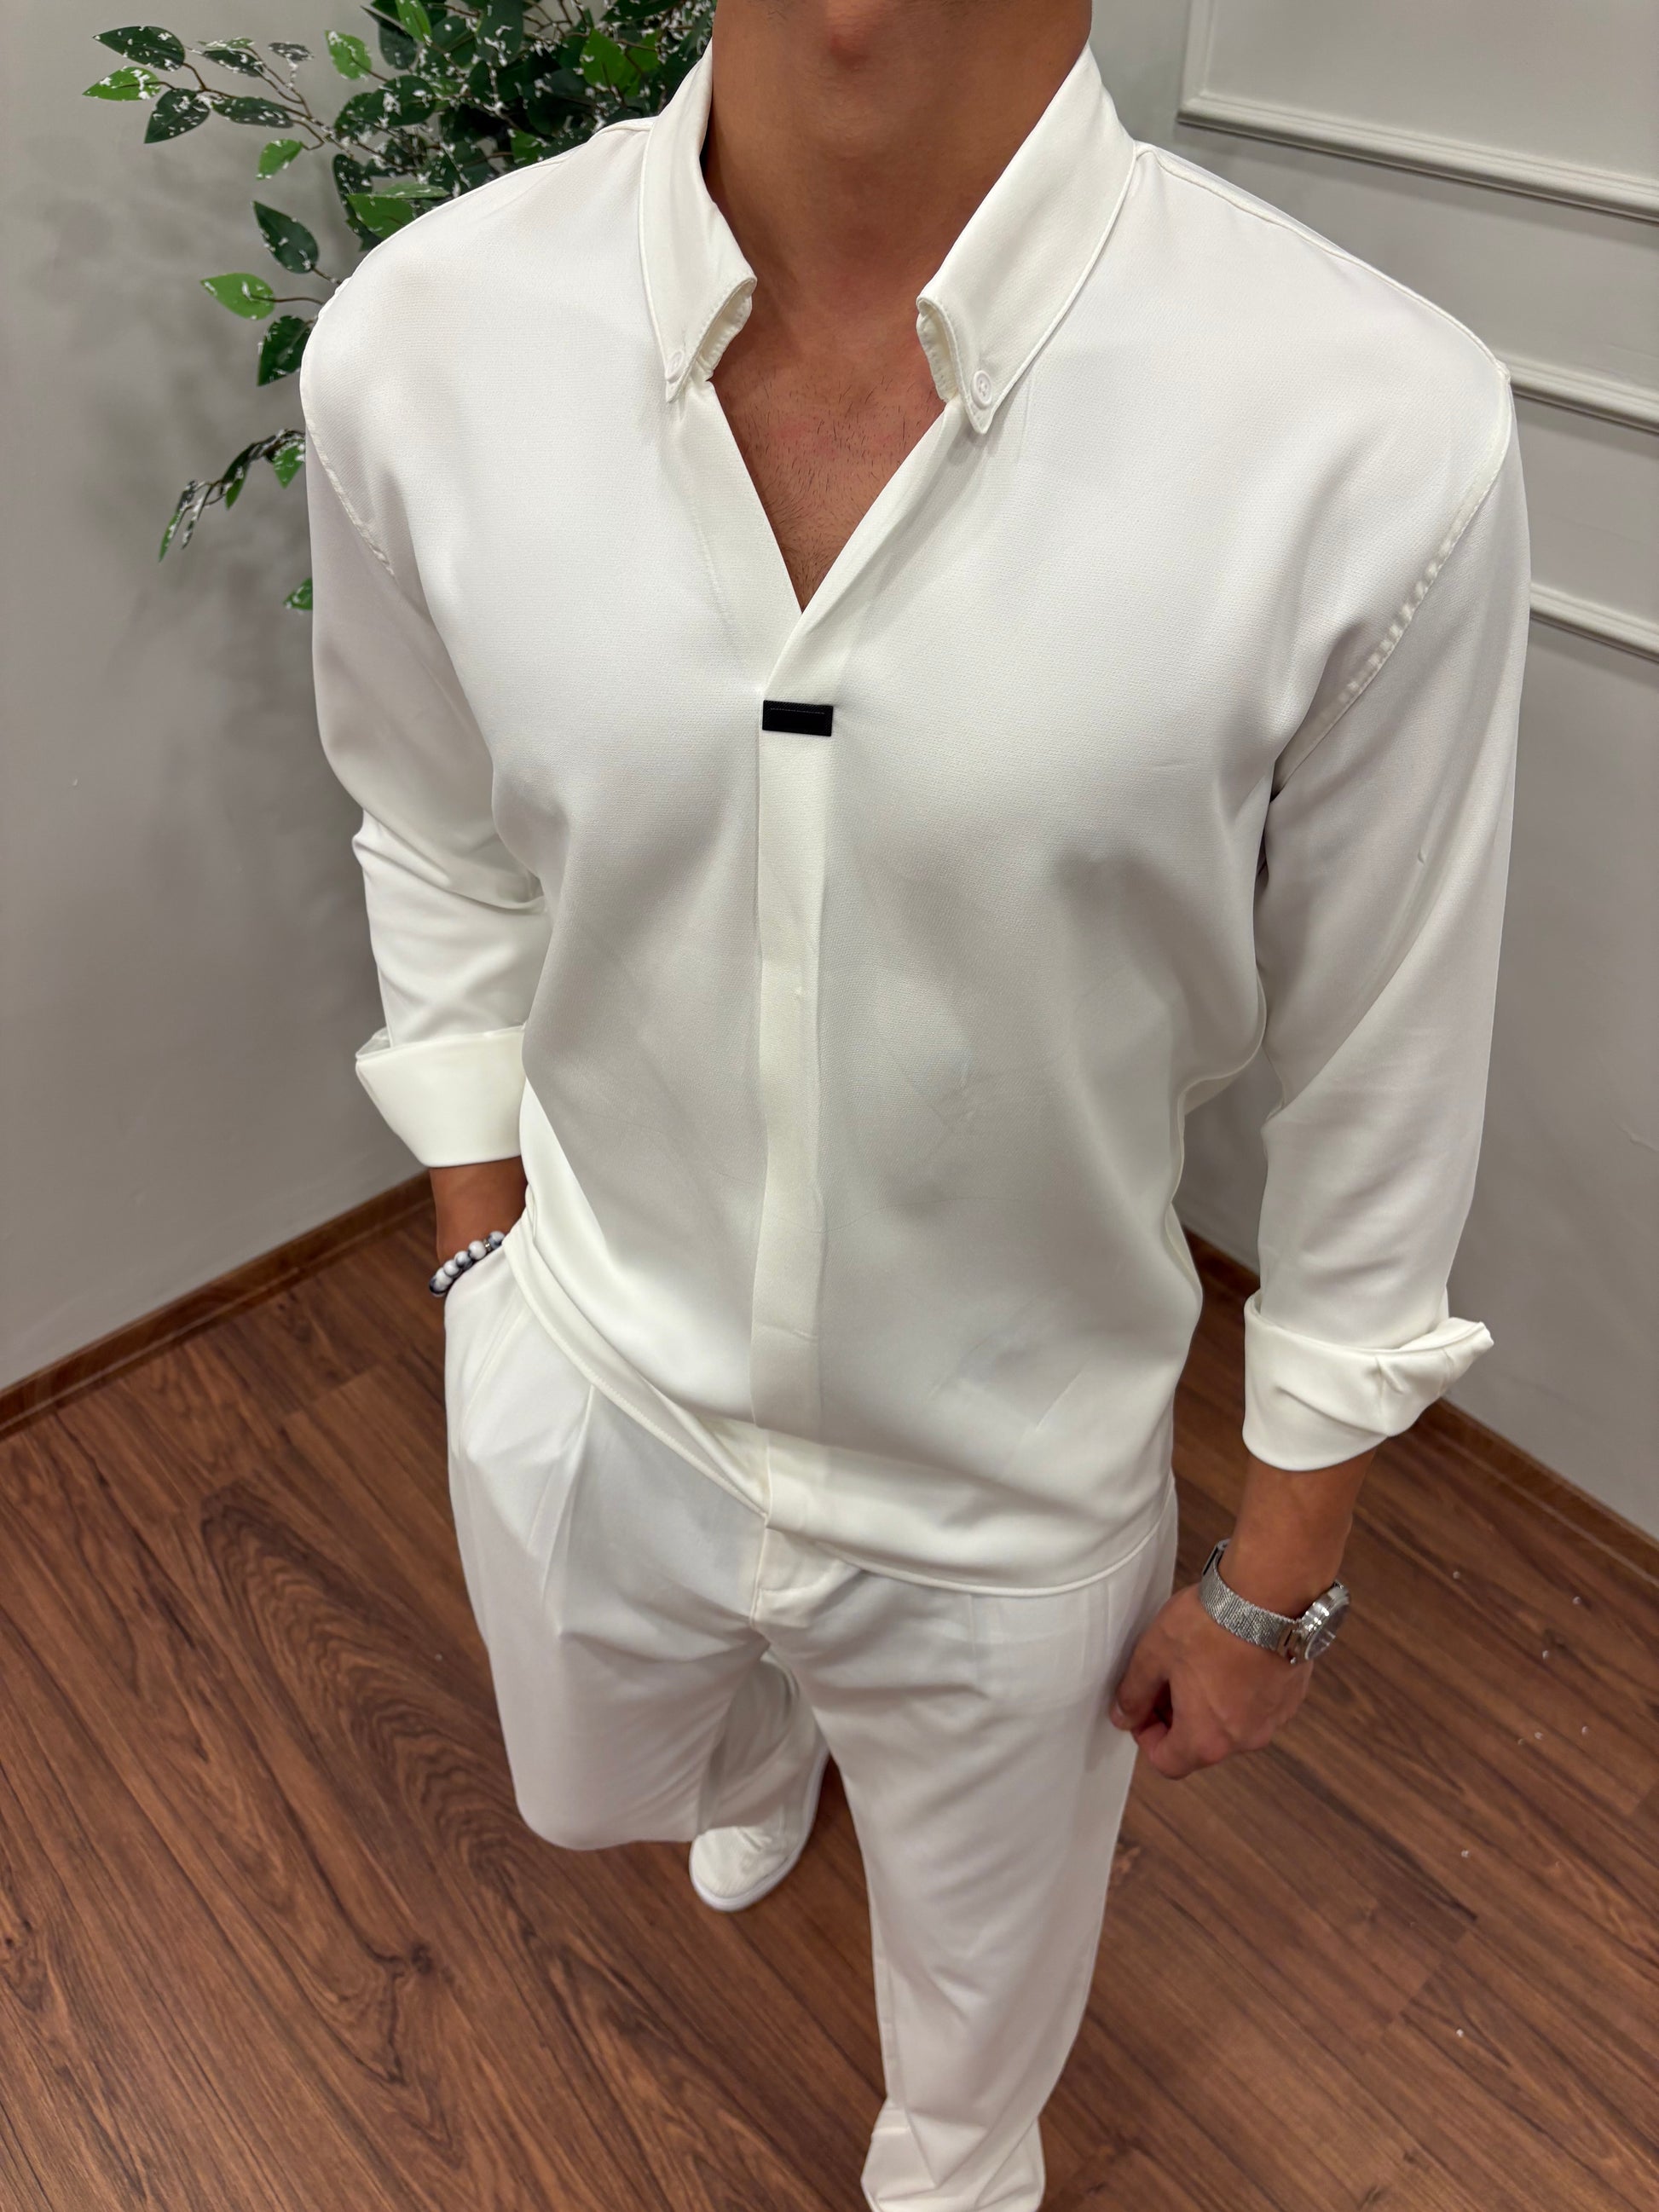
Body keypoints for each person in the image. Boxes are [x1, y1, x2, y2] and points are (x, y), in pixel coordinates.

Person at [300, 1, 1530, 2203]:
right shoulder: (427, 345)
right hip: (598, 1373)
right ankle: (759, 1739)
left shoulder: (1365, 433)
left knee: (980, 2023)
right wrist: (481, 1250)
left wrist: (1280, 1570)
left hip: (1015, 1483)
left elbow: (1383, 1057)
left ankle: (955, 2159)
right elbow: (434, 824)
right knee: (618, 1779)